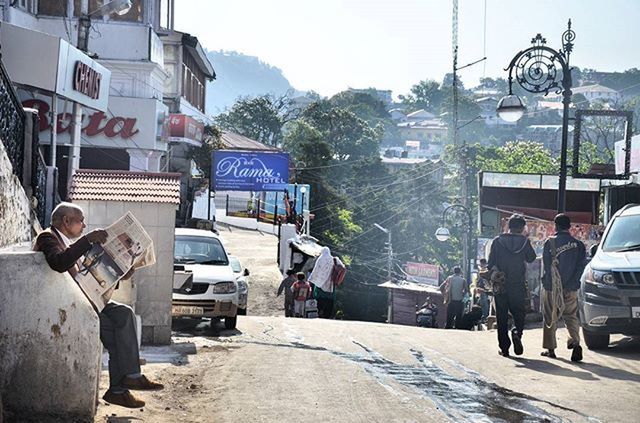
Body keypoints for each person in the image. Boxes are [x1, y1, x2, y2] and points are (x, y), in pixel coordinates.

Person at [33, 202, 163, 409]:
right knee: (115, 337)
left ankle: (129, 378)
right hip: (71, 303)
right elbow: (58, 263)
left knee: (124, 314)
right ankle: (119, 389)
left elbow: (88, 273)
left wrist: (121, 272)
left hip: (87, 298)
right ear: (67, 221)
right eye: (81, 221)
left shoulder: (67, 241)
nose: (84, 226)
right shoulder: (48, 237)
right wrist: (87, 240)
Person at [487, 214, 536, 357]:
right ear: (522, 228)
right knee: (519, 313)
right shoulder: (524, 242)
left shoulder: (497, 241)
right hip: (518, 284)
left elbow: (490, 264)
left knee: (501, 317)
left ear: (509, 226)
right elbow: (531, 258)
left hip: (500, 285)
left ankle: (504, 348)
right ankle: (516, 332)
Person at [541, 214, 586, 362]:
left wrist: (549, 282)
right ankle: (575, 342)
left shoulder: (550, 242)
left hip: (552, 288)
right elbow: (580, 267)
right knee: (571, 316)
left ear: (555, 225)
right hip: (571, 287)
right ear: (569, 226)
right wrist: (573, 283)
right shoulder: (578, 245)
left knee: (550, 316)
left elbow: (547, 266)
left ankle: (551, 349)